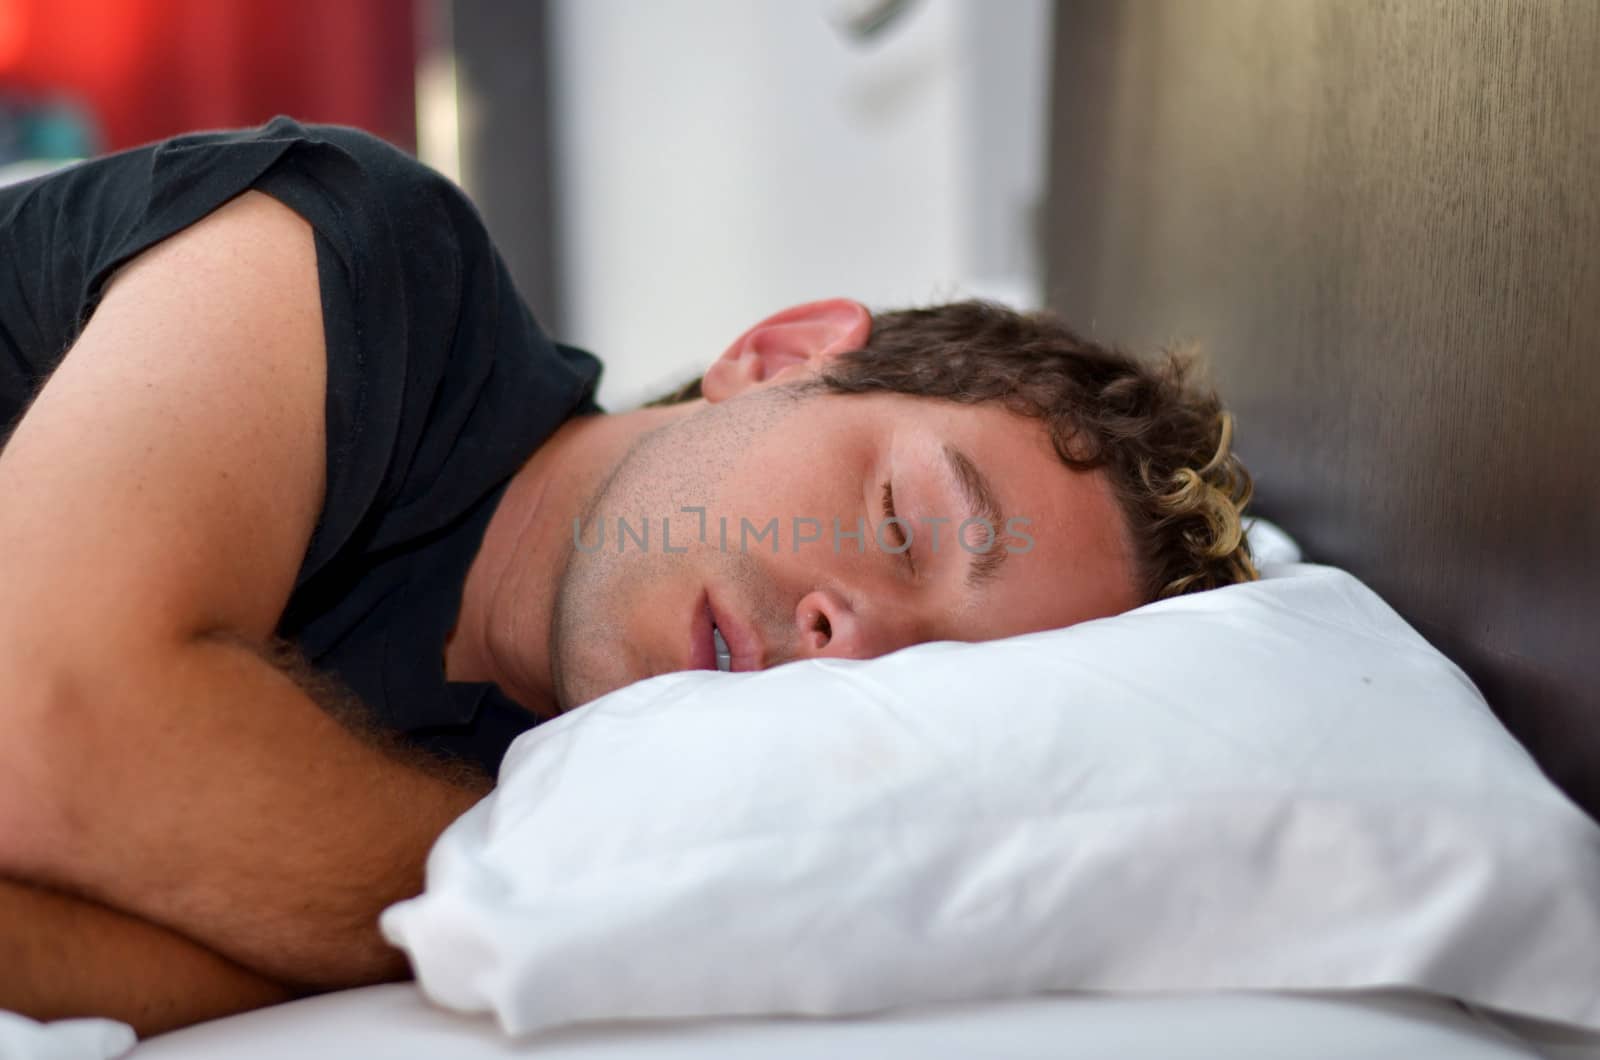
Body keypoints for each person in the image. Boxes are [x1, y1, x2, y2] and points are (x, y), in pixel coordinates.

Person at [0, 118, 1256, 1034]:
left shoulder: (545, 796)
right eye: (903, 522)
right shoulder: (368, 255)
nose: (848, 638)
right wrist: (514, 877)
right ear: (778, 357)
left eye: (922, 683)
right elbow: (52, 718)